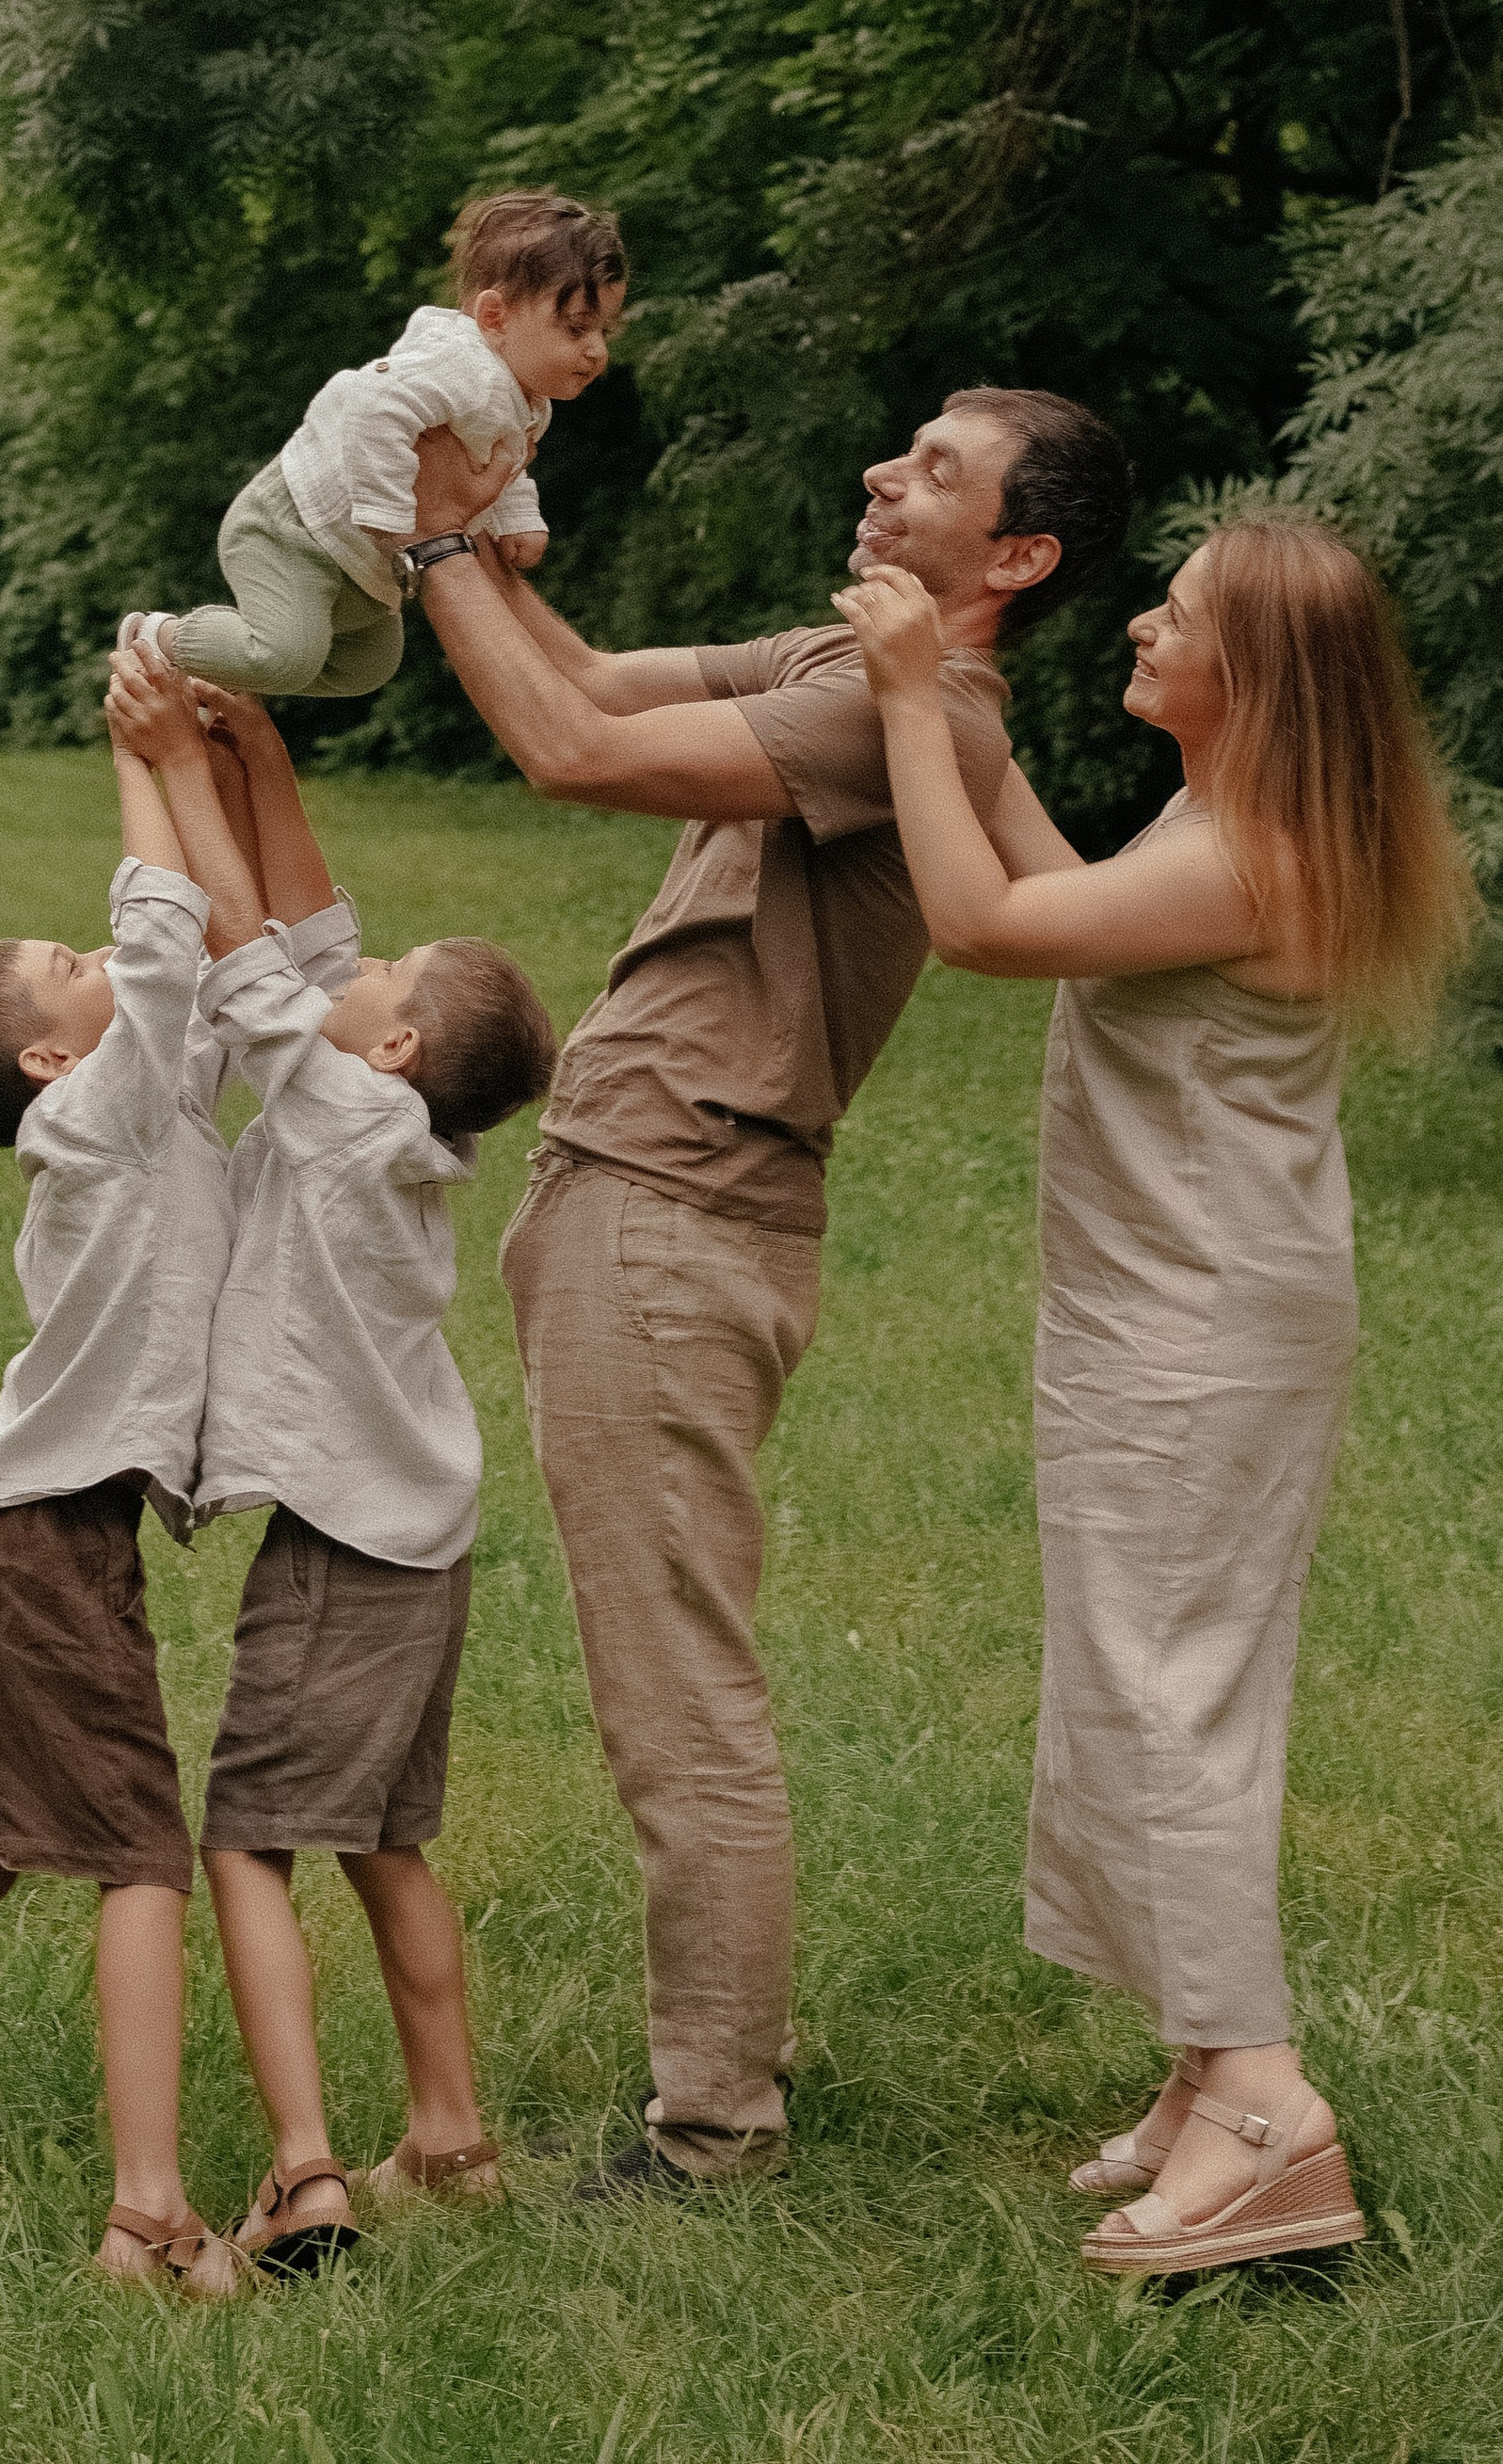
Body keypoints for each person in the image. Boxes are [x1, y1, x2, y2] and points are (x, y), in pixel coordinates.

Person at [394, 388, 1133, 2193]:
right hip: (636, 1199)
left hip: (674, 1220)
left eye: (939, 474)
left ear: (1017, 560)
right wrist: (478, 530)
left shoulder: (922, 719)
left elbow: (565, 752)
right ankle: (727, 2063)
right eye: (901, 447)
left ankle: (716, 2125)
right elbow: (586, 672)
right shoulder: (841, 658)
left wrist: (420, 542)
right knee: (671, 1672)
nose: (885, 472)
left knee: (677, 1694)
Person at [836, 514, 1478, 2274]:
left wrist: (906, 699)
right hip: (1174, 1315)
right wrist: (973, 724)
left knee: (1168, 1693)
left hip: (1198, 1335)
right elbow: (1063, 899)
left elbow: (982, 927)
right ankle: (1206, 2073)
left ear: (1250, 677)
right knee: (1148, 1682)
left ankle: (1270, 2116)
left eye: (1175, 614)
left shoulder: (1255, 849)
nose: (1140, 618)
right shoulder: (1221, 821)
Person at [136, 656, 556, 2272]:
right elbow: (307, 947)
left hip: (347, 1549)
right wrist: (261, 764)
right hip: (417, 1539)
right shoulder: (388, 1116)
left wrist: (176, 766)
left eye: (391, 976)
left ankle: (306, 2171)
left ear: (392, 1051)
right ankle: (447, 2134)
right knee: (388, 1840)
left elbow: (251, 969)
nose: (358, 967)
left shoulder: (349, 1121)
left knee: (246, 1838)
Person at [0, 655, 266, 2297]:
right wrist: (140, 752)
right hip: (42, 1538)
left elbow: (213, 966)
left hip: (5, 1521)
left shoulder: (146, 1099)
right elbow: (170, 937)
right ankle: (145, 2213)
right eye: (69, 963)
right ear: (48, 1062)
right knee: (136, 1857)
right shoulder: (89, 1123)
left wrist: (219, 771)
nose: (99, 951)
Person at [117, 189, 627, 702]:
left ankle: (220, 669)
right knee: (286, 660)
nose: (596, 351)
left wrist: (519, 518)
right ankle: (157, 638)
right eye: (577, 328)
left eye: (605, 331)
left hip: (362, 568)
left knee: (367, 668)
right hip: (296, 528)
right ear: (494, 318)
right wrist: (386, 506)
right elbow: (372, 404)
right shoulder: (461, 365)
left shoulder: (528, 399)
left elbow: (505, 460)